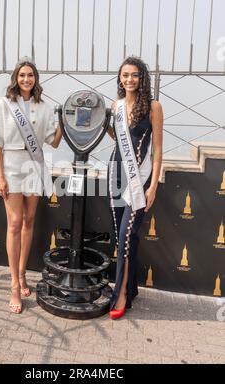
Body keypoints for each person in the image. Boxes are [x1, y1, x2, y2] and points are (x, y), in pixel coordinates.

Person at [0, 58, 62, 314]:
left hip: (34, 166)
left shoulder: (45, 106)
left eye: (30, 75)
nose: (26, 79)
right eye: (22, 75)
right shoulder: (3, 104)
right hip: (11, 166)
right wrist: (0, 176)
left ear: (36, 78)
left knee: (29, 221)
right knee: (14, 223)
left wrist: (63, 119)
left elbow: (53, 142)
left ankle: (22, 276)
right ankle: (12, 285)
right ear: (15, 77)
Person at [107, 56, 163, 320]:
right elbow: (117, 139)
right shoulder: (115, 106)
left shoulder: (154, 107)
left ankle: (119, 296)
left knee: (126, 238)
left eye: (134, 75)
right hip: (116, 173)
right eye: (125, 75)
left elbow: (159, 150)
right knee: (124, 237)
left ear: (142, 78)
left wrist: (153, 186)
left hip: (139, 179)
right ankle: (130, 290)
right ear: (120, 78)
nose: (129, 79)